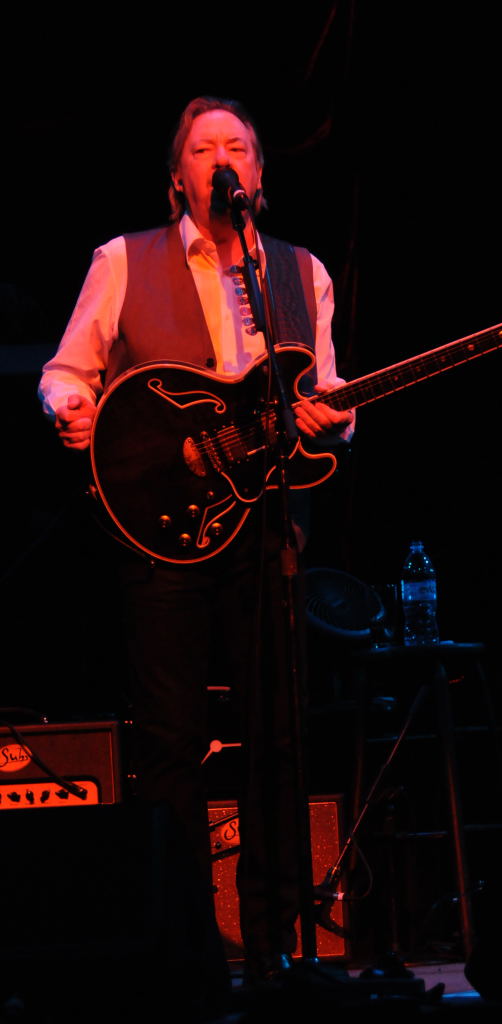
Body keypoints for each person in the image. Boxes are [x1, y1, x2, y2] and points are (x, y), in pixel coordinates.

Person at [38, 95, 354, 1015]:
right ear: (178, 175)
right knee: (170, 741)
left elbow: (327, 388)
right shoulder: (122, 259)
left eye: (239, 147)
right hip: (161, 527)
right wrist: (69, 407)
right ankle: (181, 952)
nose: (224, 159)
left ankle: (274, 949)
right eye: (205, 147)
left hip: (268, 528)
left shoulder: (300, 271)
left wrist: (335, 421)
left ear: (259, 172)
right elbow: (66, 369)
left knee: (278, 739)